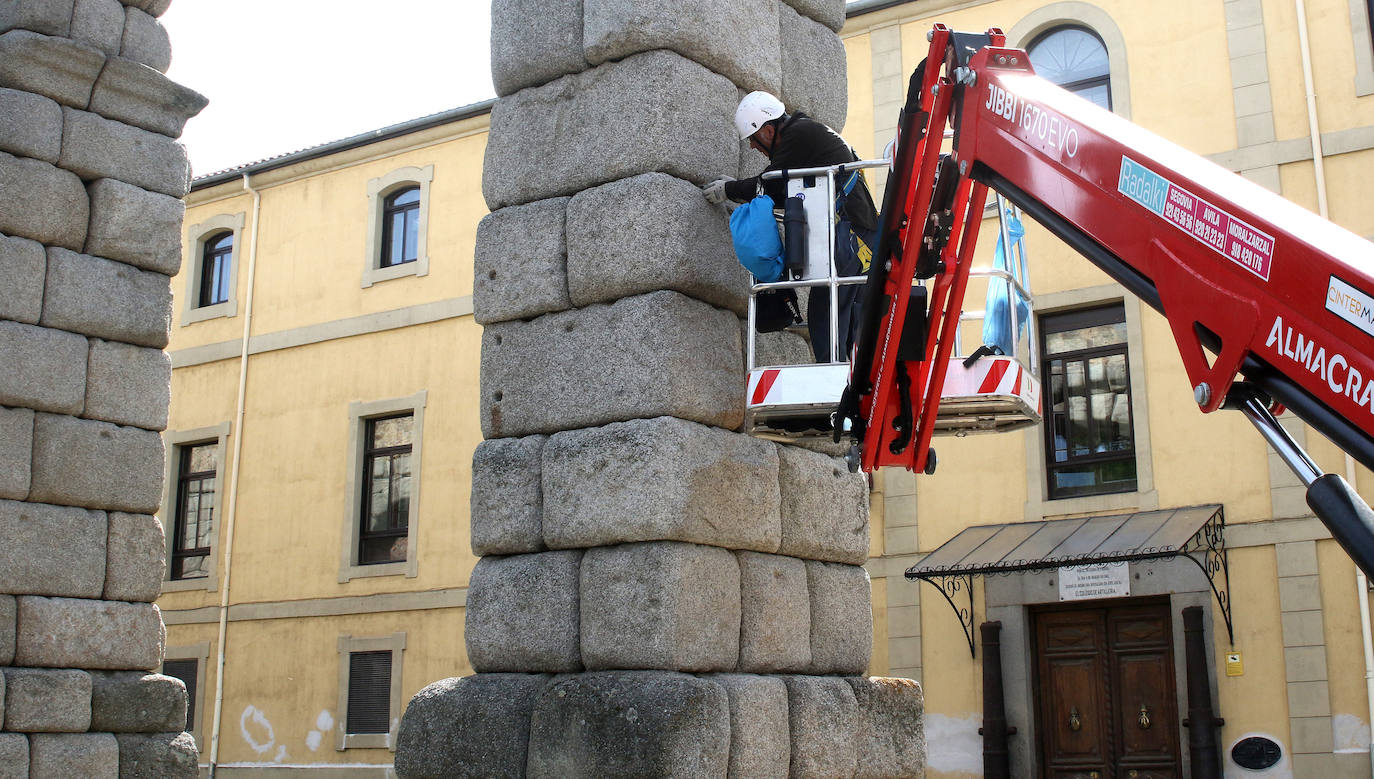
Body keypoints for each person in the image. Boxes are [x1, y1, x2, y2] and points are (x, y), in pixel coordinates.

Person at [703, 91, 879, 363]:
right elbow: (782, 189)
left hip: (849, 237)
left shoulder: (799, 134)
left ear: (769, 130)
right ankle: (848, 381)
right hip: (859, 238)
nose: (752, 147)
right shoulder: (807, 133)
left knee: (826, 314)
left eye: (753, 139)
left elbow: (772, 182)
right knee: (844, 315)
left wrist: (729, 189)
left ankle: (833, 383)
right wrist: (741, 189)